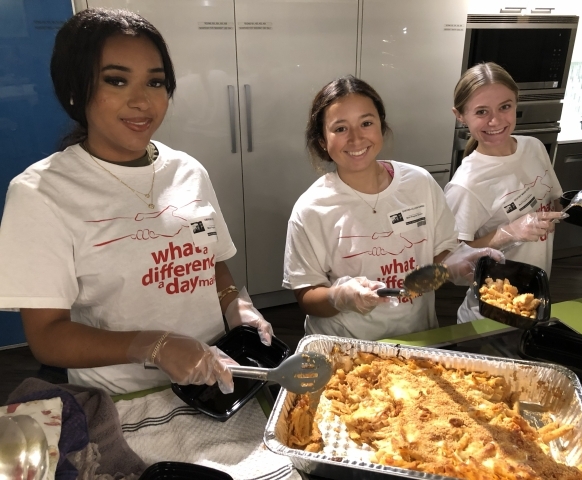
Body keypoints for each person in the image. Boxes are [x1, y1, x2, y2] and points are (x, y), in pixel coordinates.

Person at [0, 8, 273, 395]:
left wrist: (235, 305)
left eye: (155, 82)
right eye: (116, 80)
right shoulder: (41, 193)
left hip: (218, 376)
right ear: (75, 88)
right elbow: (47, 336)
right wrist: (154, 346)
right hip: (126, 399)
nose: (142, 101)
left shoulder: (188, 170)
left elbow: (209, 262)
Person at [282, 75, 503, 340]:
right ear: (322, 141)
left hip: (418, 339)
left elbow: (441, 254)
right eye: (340, 129)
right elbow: (306, 296)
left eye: (366, 123)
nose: (355, 138)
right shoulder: (311, 209)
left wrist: (453, 264)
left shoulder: (419, 183)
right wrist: (338, 296)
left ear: (381, 128)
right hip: (349, 349)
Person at [444, 62, 565, 324]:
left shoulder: (533, 147)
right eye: (481, 111)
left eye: (505, 107)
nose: (495, 120)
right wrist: (510, 232)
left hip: (533, 302)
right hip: (489, 313)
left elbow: (552, 200)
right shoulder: (466, 185)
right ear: (460, 115)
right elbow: (450, 266)